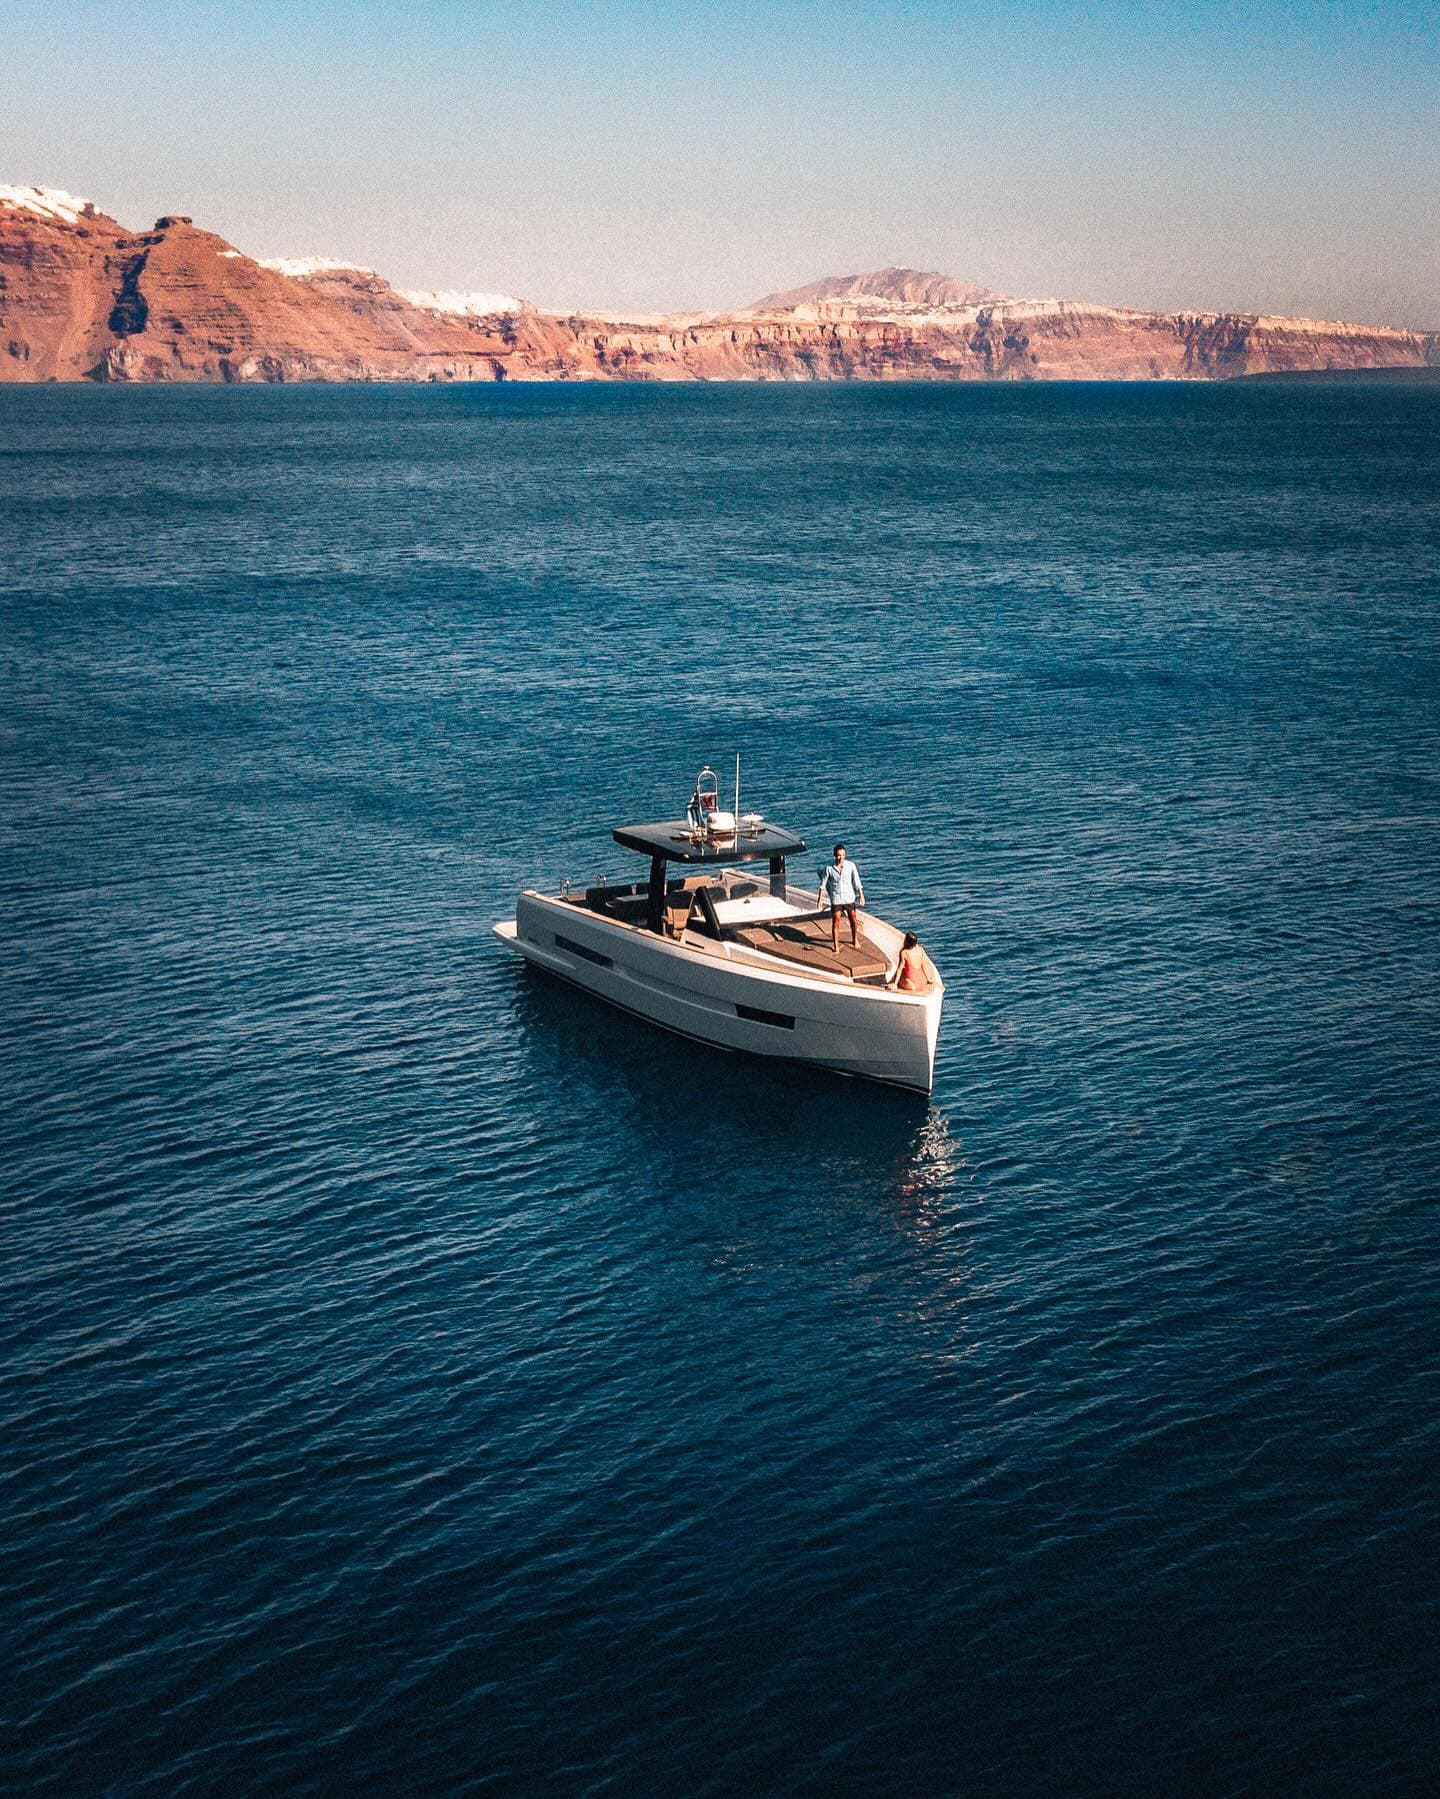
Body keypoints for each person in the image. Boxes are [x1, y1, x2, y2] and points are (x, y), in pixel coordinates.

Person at [818, 842, 865, 953]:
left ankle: (855, 939)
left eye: (843, 855)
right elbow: (823, 884)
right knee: (836, 922)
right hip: (836, 898)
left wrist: (861, 895)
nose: (841, 858)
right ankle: (836, 946)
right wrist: (820, 899)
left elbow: (857, 881)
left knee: (853, 919)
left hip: (849, 897)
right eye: (839, 855)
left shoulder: (851, 866)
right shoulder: (828, 868)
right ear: (834, 855)